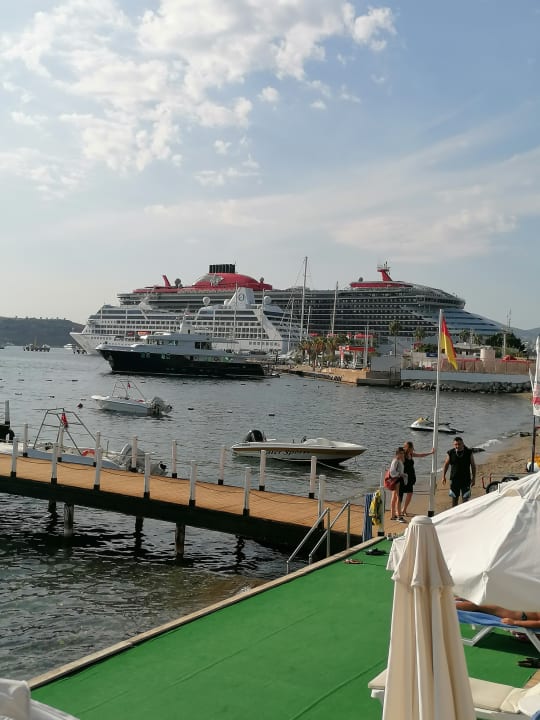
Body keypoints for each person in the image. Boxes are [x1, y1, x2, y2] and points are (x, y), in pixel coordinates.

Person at [400, 441, 434, 517]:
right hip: (404, 477)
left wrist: (430, 453)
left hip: (411, 476)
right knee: (400, 494)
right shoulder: (403, 455)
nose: (413, 449)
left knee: (410, 493)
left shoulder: (411, 454)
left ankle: (404, 509)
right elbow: (396, 462)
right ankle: (398, 510)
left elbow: (420, 455)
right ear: (408, 448)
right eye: (412, 448)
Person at [442, 436, 476, 507]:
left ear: (463, 444)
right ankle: (454, 513)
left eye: (459, 444)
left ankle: (465, 513)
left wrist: (473, 478)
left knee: (465, 500)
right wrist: (443, 476)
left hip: (466, 479)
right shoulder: (450, 452)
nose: (457, 446)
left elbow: (473, 466)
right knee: (454, 500)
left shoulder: (468, 452)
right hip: (454, 480)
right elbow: (446, 465)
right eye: (455, 444)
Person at [456, 600, 540, 629]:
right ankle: (455, 605)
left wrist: (514, 622)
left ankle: (450, 608)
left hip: (520, 614)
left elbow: (538, 623)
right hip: (518, 607)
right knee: (480, 603)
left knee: (478, 605)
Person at [388, 447, 407, 522]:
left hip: (397, 480)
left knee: (395, 497)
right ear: (397, 453)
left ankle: (393, 515)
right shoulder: (396, 460)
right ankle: (399, 516)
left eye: (403, 453)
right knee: (399, 498)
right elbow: (392, 472)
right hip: (397, 480)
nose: (402, 455)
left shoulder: (398, 460)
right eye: (401, 453)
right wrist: (400, 475)